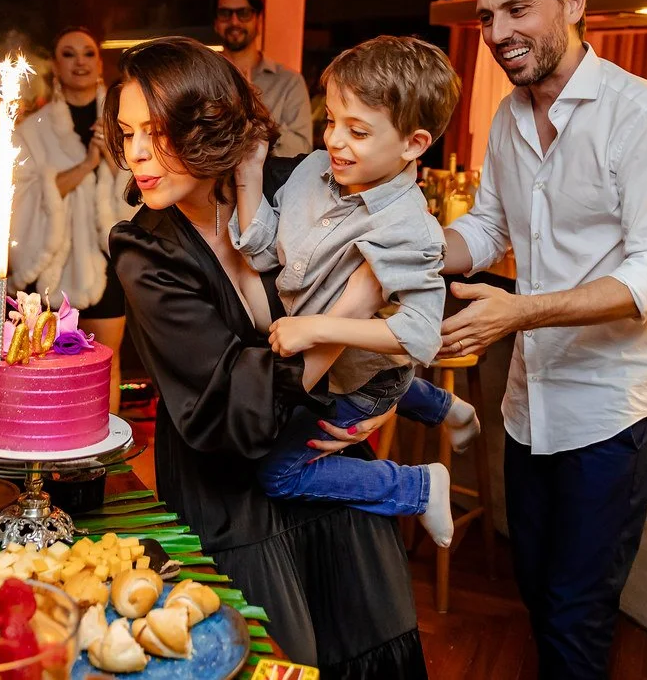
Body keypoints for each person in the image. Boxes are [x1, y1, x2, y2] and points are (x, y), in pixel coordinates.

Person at [106, 37, 428, 678]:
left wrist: (375, 404)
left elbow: (405, 245)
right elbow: (227, 412)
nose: (136, 154)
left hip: (325, 461)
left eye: (155, 132)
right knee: (281, 659)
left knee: (368, 636)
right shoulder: (146, 250)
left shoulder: (290, 184)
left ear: (209, 125)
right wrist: (351, 309)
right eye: (126, 132)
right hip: (229, 494)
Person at [438, 0, 647, 680]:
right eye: (487, 17)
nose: (498, 33)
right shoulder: (509, 118)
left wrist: (519, 311)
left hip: (611, 411)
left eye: (517, 10)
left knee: (577, 613)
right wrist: (409, 249)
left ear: (573, 0)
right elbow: (487, 226)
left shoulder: (644, 114)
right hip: (530, 402)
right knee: (536, 593)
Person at [231, 35, 478, 546]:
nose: (336, 142)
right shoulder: (312, 170)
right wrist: (249, 175)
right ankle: (442, 407)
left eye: (358, 131)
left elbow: (421, 334)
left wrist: (315, 326)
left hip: (359, 380)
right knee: (372, 365)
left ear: (413, 143)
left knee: (279, 472)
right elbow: (259, 251)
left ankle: (418, 485)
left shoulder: (409, 227)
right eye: (332, 123)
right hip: (349, 359)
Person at [10, 27, 131, 411]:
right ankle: (50, 456)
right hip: (54, 270)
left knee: (106, 366)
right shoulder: (33, 129)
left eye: (87, 53)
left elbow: (140, 191)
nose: (79, 61)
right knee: (46, 367)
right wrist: (87, 164)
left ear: (99, 64)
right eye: (68, 53)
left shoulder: (126, 122)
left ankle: (101, 462)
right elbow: (26, 197)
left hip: (106, 263)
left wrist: (111, 160)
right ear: (55, 66)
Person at [212, 0, 312, 156]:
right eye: (225, 13)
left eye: (243, 13)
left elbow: (302, 151)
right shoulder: (202, 77)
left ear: (259, 20)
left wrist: (259, 117)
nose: (234, 22)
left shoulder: (289, 82)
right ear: (216, 22)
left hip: (271, 183)